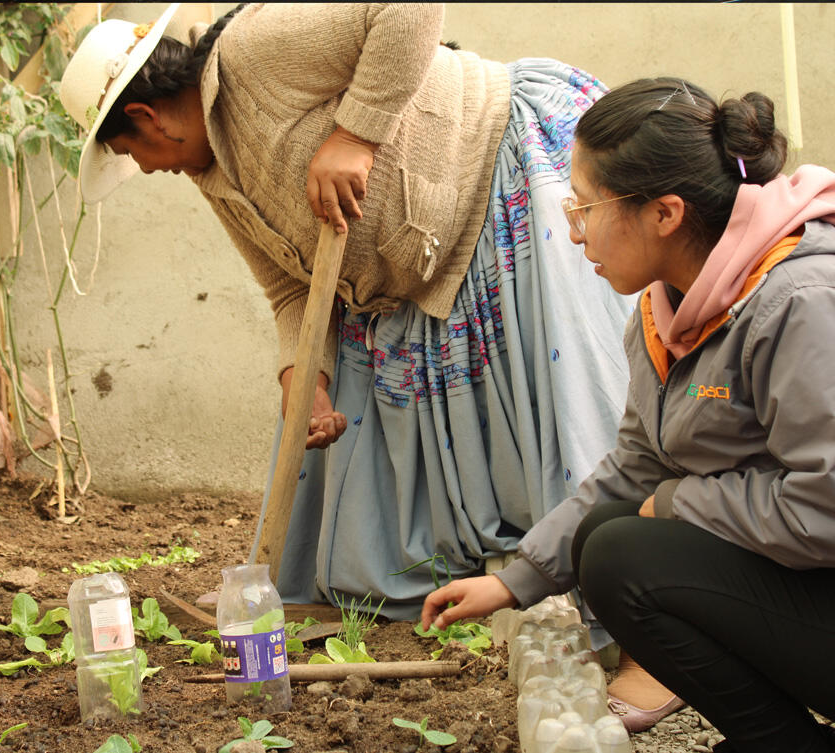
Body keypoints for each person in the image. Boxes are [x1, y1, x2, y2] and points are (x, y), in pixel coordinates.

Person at [59, 0, 641, 699]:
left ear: (147, 120)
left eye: (131, 154)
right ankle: (461, 588)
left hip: (499, 164)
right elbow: (287, 289)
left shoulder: (251, 52)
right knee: (364, 407)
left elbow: (407, 11)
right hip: (404, 271)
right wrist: (307, 379)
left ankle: (638, 628)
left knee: (573, 410)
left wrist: (354, 136)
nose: (146, 170)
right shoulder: (213, 172)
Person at [422, 75, 835, 750]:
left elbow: (826, 506)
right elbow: (639, 464)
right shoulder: (669, 307)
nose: (575, 231)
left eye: (586, 207)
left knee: (622, 550)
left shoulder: (801, 299)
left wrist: (680, 502)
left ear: (665, 213)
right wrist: (517, 580)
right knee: (608, 536)